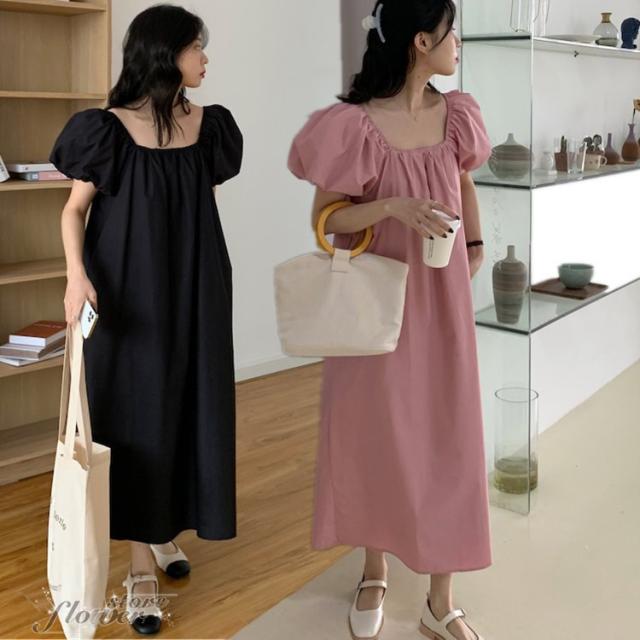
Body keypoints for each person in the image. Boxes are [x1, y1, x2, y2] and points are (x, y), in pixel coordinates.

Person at [287, 1, 491, 639]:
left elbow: (464, 183)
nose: (458, 43)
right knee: (374, 434)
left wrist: (476, 245)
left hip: (443, 298)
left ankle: (440, 600)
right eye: (451, 31)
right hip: (377, 305)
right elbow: (327, 220)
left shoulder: (457, 115)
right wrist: (391, 207)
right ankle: (373, 570)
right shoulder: (354, 125)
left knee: (449, 435)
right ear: (421, 40)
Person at [49, 4, 242, 635]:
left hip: (196, 290)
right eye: (196, 47)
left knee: (190, 409)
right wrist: (76, 276)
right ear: (165, 54)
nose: (205, 58)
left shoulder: (210, 127)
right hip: (129, 296)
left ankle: (161, 533)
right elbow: (73, 211)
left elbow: (199, 207)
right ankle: (139, 570)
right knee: (139, 418)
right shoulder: (107, 131)